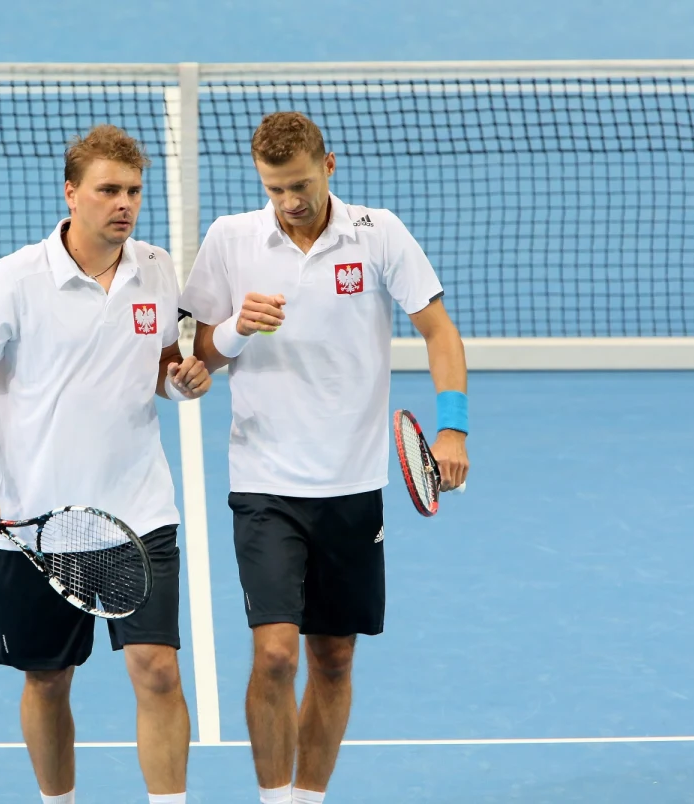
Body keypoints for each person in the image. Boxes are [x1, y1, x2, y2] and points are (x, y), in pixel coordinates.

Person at [180, 111, 470, 804]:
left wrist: (452, 429)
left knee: (333, 658)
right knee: (275, 654)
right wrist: (234, 328)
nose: (289, 202)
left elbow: (438, 331)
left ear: (329, 165)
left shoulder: (378, 234)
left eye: (301, 185)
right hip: (264, 483)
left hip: (353, 481)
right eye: (275, 189)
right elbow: (194, 353)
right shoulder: (231, 240)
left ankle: (309, 797)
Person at [0, 124, 210, 804]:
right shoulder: (16, 278)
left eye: (133, 191)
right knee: (47, 679)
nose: (124, 203)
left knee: (156, 671)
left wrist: (182, 379)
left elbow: (159, 370)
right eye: (108, 190)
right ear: (72, 194)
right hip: (37, 519)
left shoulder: (155, 267)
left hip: (138, 510)